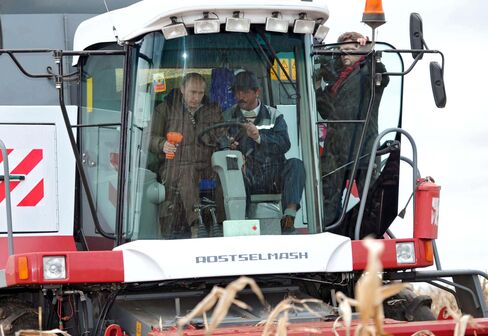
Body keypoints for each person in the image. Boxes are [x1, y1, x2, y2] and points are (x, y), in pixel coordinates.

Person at [316, 32, 390, 225]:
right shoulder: (336, 82)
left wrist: (371, 53)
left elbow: (383, 77)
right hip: (336, 150)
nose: (344, 54)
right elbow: (325, 111)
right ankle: (330, 233)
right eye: (341, 51)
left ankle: (367, 236)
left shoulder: (367, 74)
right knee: (328, 201)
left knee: (369, 201)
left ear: (362, 53)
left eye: (350, 50)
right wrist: (315, 88)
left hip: (362, 148)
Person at [223, 71, 305, 232]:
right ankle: (241, 223)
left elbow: (284, 144)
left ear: (257, 92)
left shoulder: (275, 115)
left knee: (296, 164)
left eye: (245, 92)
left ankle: (288, 217)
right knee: (232, 172)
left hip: (273, 174)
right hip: (245, 175)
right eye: (237, 92)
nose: (240, 96)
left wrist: (259, 137)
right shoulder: (227, 116)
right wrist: (228, 146)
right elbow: (217, 141)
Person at [149, 72, 223, 238]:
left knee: (224, 174)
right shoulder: (166, 108)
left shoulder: (213, 110)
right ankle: (197, 226)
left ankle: (224, 225)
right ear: (182, 89)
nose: (196, 97)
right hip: (174, 166)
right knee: (187, 172)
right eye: (192, 92)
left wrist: (230, 142)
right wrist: (162, 144)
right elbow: (149, 137)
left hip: (206, 166)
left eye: (200, 93)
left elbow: (223, 135)